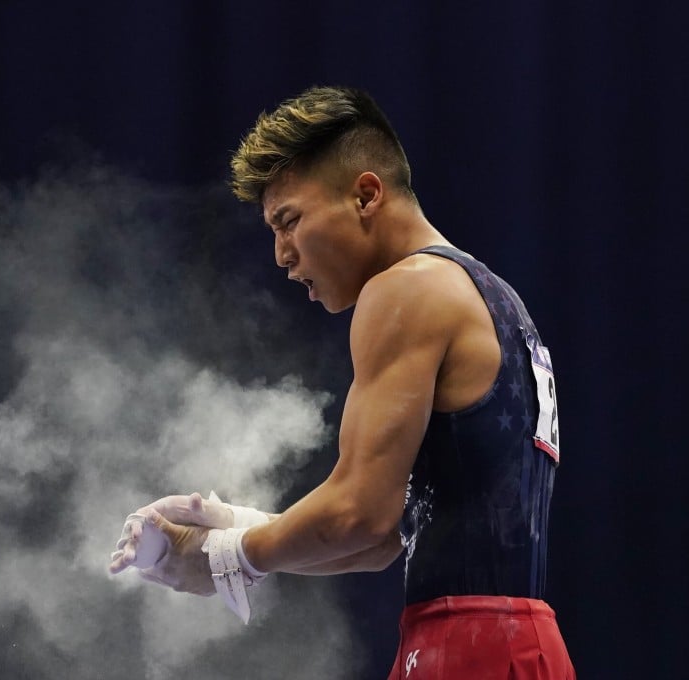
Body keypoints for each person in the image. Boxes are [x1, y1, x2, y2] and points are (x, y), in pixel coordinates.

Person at [109, 85, 575, 679]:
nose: (282, 255)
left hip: (465, 647)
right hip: (525, 646)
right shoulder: (500, 301)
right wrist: (246, 528)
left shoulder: (406, 289)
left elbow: (360, 514)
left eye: (290, 221)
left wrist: (221, 558)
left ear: (365, 194)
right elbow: (386, 537)